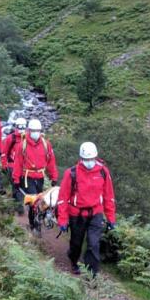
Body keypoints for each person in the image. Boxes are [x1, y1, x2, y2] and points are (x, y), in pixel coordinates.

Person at [57, 142, 116, 277]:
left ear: (96, 157)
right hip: (77, 214)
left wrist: (111, 217)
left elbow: (109, 196)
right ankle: (73, 260)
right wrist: (63, 220)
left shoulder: (103, 172)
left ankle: (92, 274)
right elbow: (63, 198)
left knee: (93, 243)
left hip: (96, 213)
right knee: (76, 243)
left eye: (91, 159)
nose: (89, 162)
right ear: (81, 158)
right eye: (86, 159)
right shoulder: (71, 173)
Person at [13, 119, 58, 232]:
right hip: (27, 177)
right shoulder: (22, 145)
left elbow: (51, 161)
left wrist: (54, 177)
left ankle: (37, 221)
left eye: (37, 130)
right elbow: (18, 163)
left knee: (40, 200)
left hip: (40, 177)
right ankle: (34, 225)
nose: (35, 133)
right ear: (29, 130)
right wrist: (16, 178)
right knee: (33, 201)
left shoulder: (46, 144)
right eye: (33, 130)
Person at [1, 118, 28, 213]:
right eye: (19, 126)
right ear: (16, 126)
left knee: (23, 186)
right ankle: (18, 207)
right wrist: (4, 165)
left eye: (23, 126)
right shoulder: (10, 138)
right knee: (16, 186)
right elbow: (4, 152)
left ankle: (18, 203)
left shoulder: (28, 138)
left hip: (25, 167)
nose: (21, 128)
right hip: (12, 165)